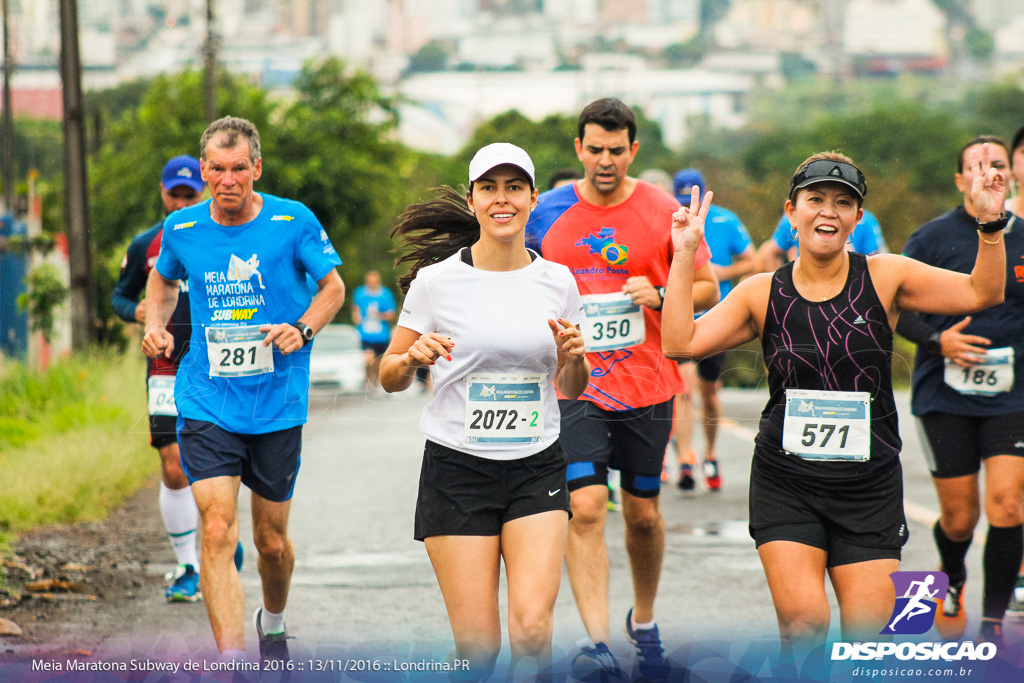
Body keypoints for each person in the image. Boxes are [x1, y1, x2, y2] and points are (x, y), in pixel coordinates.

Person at [662, 148, 1006, 658]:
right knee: (803, 627)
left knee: (868, 644)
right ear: (790, 212)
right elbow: (679, 343)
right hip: (787, 481)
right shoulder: (761, 292)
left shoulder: (886, 276)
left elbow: (982, 293)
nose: (828, 210)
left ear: (857, 218)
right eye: (815, 199)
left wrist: (991, 224)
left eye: (843, 202)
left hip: (868, 487)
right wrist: (685, 253)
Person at [379, 143, 589, 680]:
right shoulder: (436, 282)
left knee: (533, 633)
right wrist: (412, 357)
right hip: (457, 469)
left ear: (532, 199)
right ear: (472, 200)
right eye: (490, 188)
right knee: (478, 651)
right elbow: (389, 376)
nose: (503, 199)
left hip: (536, 464)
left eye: (514, 188)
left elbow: (571, 385)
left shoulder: (558, 281)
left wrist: (573, 359)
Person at [525, 98, 718, 680]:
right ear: (578, 149)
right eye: (594, 149)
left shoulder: (663, 210)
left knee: (642, 515)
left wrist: (661, 294)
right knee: (584, 507)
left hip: (648, 384)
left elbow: (708, 288)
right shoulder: (547, 212)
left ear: (633, 151)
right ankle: (598, 642)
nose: (604, 160)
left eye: (616, 150)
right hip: (575, 386)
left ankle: (646, 618)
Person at [141, 116, 345, 663]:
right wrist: (154, 325)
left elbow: (333, 288)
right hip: (207, 398)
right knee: (216, 528)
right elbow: (161, 278)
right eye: (217, 169)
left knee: (271, 543)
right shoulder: (183, 230)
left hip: (276, 404)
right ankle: (232, 664)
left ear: (257, 167)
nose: (227, 180)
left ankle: (272, 624)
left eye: (238, 169)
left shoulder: (292, 220)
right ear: (204, 170)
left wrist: (301, 329)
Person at [892, 135, 1022, 646]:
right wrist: (936, 338)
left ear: (1008, 176)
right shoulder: (930, 240)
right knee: (960, 516)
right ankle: (952, 576)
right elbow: (898, 307)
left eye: (997, 165)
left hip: (1014, 395)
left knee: (1008, 505)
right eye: (976, 166)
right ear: (960, 180)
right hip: (945, 395)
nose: (988, 173)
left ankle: (992, 622)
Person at [112, 154, 233, 603]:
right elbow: (119, 298)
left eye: (190, 194)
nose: (182, 201)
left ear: (201, 191)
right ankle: (188, 566)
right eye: (174, 194)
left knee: (215, 460)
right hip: (163, 365)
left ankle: (220, 537)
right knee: (173, 464)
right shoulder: (145, 244)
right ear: (163, 193)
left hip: (214, 364)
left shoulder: (220, 235)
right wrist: (138, 311)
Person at [669, 168, 755, 492]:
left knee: (708, 393)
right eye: (679, 199)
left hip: (719, 315)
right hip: (682, 315)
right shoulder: (671, 219)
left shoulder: (726, 220)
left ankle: (710, 453)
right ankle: (686, 460)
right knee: (683, 388)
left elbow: (753, 261)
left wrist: (724, 270)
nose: (685, 206)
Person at [755, 206, 886, 272]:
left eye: (842, 201)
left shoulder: (866, 221)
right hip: (802, 288)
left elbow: (875, 261)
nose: (827, 213)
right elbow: (769, 252)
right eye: (816, 199)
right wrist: (779, 284)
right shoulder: (791, 220)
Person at [352, 270, 396, 390]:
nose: (372, 283)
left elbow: (391, 314)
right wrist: (356, 317)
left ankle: (375, 381)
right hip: (366, 333)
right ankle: (367, 378)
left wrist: (379, 315)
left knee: (378, 362)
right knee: (368, 358)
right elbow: (355, 309)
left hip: (381, 334)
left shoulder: (385, 294)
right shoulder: (360, 293)